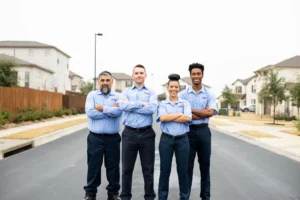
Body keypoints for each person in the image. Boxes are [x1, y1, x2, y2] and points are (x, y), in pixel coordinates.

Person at [118, 64, 158, 200]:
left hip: (147, 134)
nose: (139, 75)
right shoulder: (125, 92)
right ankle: (125, 196)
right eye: (136, 73)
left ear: (145, 75)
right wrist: (141, 103)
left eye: (141, 73)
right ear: (132, 75)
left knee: (148, 169)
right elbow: (122, 106)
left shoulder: (151, 92)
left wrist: (131, 105)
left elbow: (152, 109)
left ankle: (149, 197)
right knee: (126, 169)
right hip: (129, 133)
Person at [179, 63, 218, 200]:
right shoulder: (182, 95)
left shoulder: (209, 94)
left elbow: (210, 113)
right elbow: (182, 114)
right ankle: (185, 197)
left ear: (202, 75)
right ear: (190, 76)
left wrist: (190, 110)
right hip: (187, 132)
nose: (196, 76)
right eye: (193, 74)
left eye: (198, 73)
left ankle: (205, 197)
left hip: (203, 132)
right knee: (187, 167)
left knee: (205, 167)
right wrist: (203, 112)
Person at [83, 71, 122, 200]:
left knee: (113, 166)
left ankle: (113, 193)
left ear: (112, 82)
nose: (105, 83)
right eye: (102, 80)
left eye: (107, 80)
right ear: (98, 82)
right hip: (95, 138)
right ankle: (90, 193)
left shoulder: (118, 96)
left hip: (113, 138)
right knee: (93, 166)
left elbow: (118, 112)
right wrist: (110, 109)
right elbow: (90, 113)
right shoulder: (92, 95)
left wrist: (102, 108)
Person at [156, 74, 192, 200]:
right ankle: (162, 197)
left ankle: (184, 197)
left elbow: (187, 118)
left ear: (179, 88)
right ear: (167, 87)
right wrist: (178, 114)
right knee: (164, 171)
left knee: (183, 172)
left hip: (182, 140)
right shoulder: (162, 104)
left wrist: (170, 116)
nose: (173, 89)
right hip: (166, 140)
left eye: (176, 87)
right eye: (171, 87)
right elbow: (162, 118)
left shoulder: (185, 103)